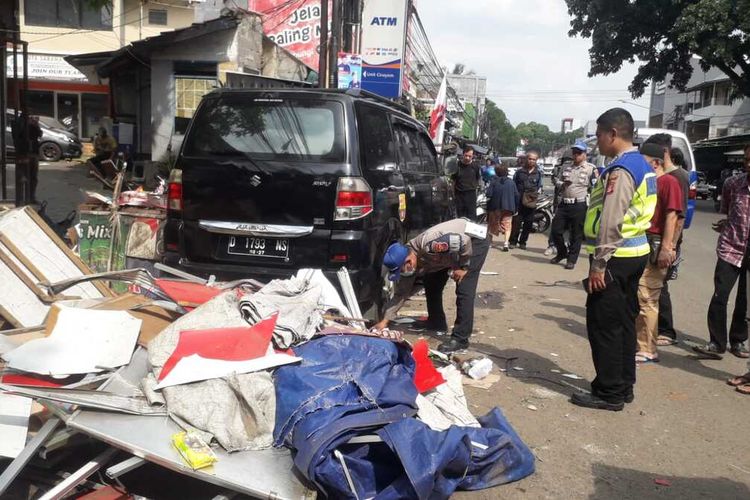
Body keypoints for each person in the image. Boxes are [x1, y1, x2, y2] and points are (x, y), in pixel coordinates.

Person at [572, 108, 657, 411]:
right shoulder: (644, 164)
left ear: (613, 134)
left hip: (615, 256)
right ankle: (623, 385)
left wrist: (599, 264)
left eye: (598, 135)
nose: (597, 142)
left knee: (604, 324)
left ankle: (608, 392)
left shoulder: (621, 170)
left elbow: (611, 219)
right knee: (623, 322)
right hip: (635, 253)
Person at [374, 218, 491, 353]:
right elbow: (402, 294)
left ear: (409, 260)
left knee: (464, 288)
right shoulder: (410, 258)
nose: (403, 273)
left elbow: (463, 242)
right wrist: (385, 321)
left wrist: (463, 267)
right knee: (431, 282)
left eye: (401, 270)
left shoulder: (431, 244)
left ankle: (461, 339)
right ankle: (437, 322)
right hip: (452, 252)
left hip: (474, 241)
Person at [693, 144, 750, 360]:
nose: (748, 164)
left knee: (745, 302)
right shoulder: (733, 184)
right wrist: (725, 224)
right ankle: (716, 343)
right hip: (730, 248)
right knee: (720, 295)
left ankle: (738, 340)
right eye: (746, 160)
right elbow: (727, 211)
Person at [634, 142, 683, 363]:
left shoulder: (669, 183)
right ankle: (642, 343)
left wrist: (667, 247)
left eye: (644, 161)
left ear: (656, 162)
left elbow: (673, 217)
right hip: (642, 242)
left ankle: (647, 347)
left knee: (647, 297)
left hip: (655, 244)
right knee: (640, 296)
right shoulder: (650, 182)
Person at [650, 140, 690, 346]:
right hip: (656, 239)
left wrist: (671, 246)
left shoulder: (677, 177)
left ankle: (666, 330)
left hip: (666, 241)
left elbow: (678, 215)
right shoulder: (660, 177)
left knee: (660, 285)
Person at [549, 141, 597, 270]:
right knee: (556, 231)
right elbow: (555, 179)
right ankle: (562, 252)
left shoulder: (591, 169)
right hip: (564, 203)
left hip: (579, 204)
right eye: (574, 152)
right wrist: (562, 184)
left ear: (585, 154)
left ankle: (571, 259)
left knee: (576, 234)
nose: (575, 155)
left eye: (579, 153)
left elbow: (595, 187)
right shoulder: (566, 167)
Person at [509, 150, 542, 250]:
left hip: (530, 201)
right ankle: (513, 241)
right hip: (519, 201)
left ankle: (523, 242)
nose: (531, 161)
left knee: (528, 223)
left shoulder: (538, 173)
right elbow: (514, 185)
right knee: (516, 223)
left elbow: (539, 186)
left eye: (534, 159)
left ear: (536, 161)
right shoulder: (519, 172)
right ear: (526, 159)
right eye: (530, 159)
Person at [486, 163, 519, 251]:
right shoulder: (511, 182)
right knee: (507, 225)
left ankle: (490, 243)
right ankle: (505, 244)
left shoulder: (494, 182)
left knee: (492, 224)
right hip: (508, 207)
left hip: (495, 207)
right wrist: (516, 208)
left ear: (497, 172)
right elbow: (516, 195)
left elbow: (488, 194)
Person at [451, 146, 480, 220]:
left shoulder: (475, 166)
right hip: (459, 195)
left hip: (471, 195)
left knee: (471, 217)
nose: (467, 158)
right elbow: (453, 181)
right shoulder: (457, 165)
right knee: (460, 217)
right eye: (466, 155)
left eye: (469, 156)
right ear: (463, 154)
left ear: (472, 156)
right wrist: (453, 194)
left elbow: (477, 179)